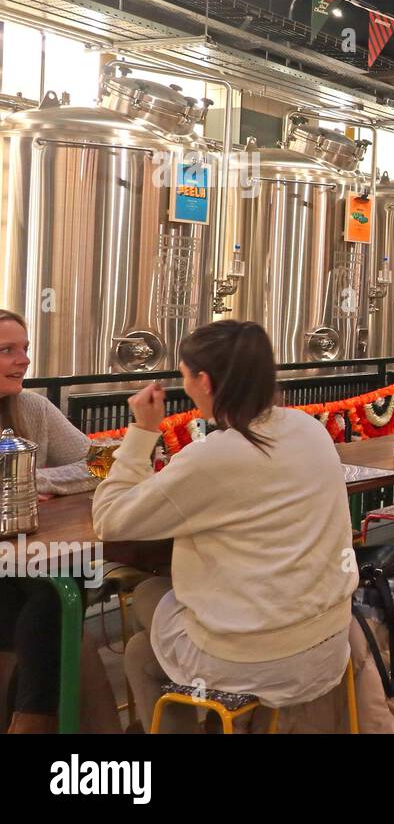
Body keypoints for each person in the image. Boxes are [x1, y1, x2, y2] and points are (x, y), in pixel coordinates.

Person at [92, 321, 358, 733]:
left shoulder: (212, 457)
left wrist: (143, 430)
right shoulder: (310, 430)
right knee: (150, 609)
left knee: (142, 641)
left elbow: (110, 519)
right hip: (329, 640)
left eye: (184, 376)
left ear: (204, 380)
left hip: (266, 656)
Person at [0, 310, 119, 734]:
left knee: (59, 582)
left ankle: (30, 722)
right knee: (56, 595)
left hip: (25, 561)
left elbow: (102, 462)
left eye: (26, 349)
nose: (24, 360)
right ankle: (35, 724)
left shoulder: (31, 406)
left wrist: (39, 477)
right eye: (7, 350)